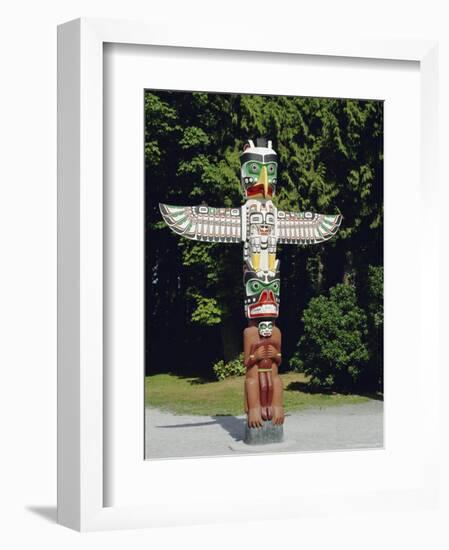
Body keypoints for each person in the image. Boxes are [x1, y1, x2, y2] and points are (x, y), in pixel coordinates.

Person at [243, 320, 284, 428]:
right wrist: (255, 356)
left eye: (269, 327)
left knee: (273, 384)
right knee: (256, 384)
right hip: (259, 372)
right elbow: (247, 362)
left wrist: (275, 354)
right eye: (263, 327)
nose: (266, 330)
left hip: (270, 370)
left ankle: (271, 407)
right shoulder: (251, 335)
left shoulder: (276, 334)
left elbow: (279, 360)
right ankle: (256, 408)